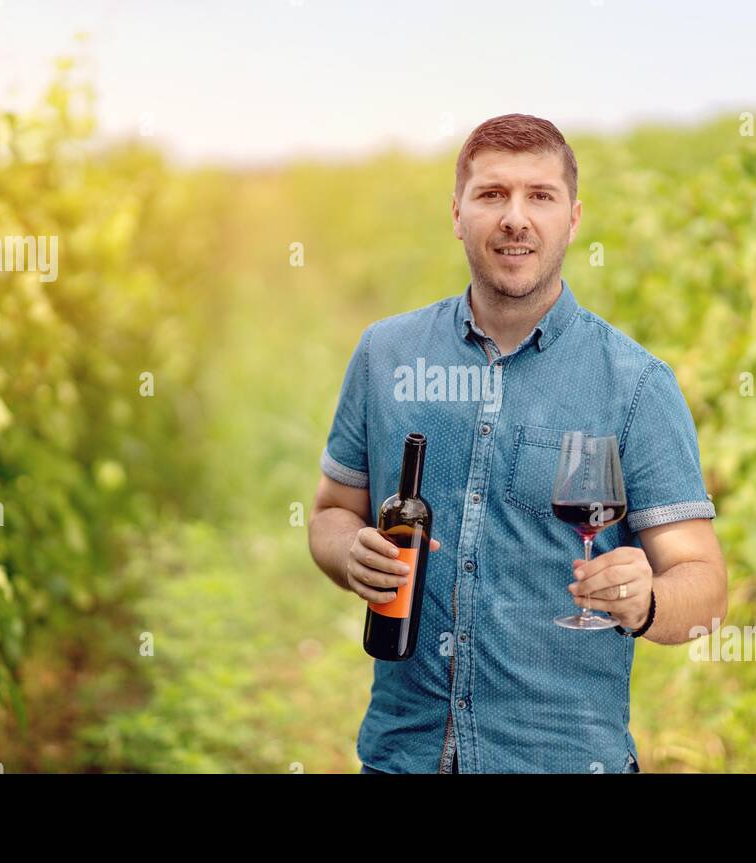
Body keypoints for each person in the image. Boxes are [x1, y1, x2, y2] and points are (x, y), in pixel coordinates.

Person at [307, 113, 728, 774]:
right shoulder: (385, 355)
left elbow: (703, 586)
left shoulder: (635, 384)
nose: (515, 217)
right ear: (456, 213)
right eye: (492, 194)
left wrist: (647, 601)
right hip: (404, 752)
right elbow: (332, 510)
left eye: (540, 195)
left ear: (573, 217)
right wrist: (346, 553)